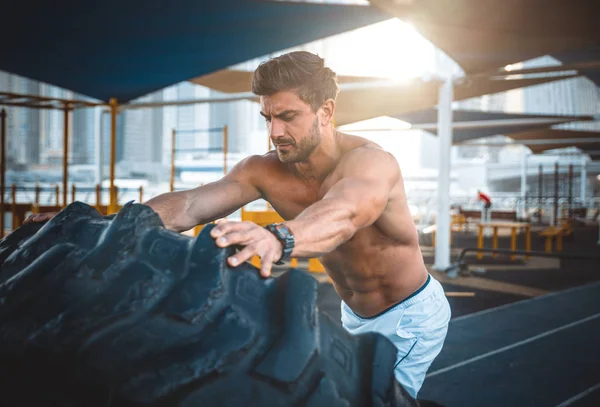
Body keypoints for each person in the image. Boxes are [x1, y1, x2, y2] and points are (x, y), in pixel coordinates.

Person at [24, 51, 451, 398]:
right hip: (352, 311)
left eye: (288, 116)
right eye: (268, 117)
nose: (275, 131)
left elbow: (344, 213)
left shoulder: (371, 162)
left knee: (376, 399)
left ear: (326, 110)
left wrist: (279, 238)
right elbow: (191, 204)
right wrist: (110, 227)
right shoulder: (264, 170)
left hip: (410, 313)